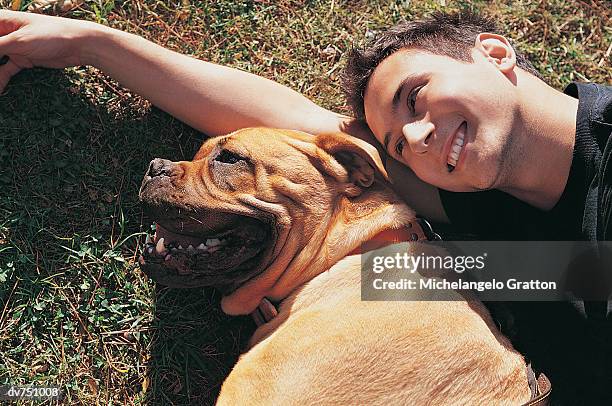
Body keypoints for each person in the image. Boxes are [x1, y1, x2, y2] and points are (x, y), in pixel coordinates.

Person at [0, 8, 610, 404]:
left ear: (496, 53)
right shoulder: (493, 219)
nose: (419, 137)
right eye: (396, 143)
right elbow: (301, 131)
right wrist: (93, 42)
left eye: (416, 95)